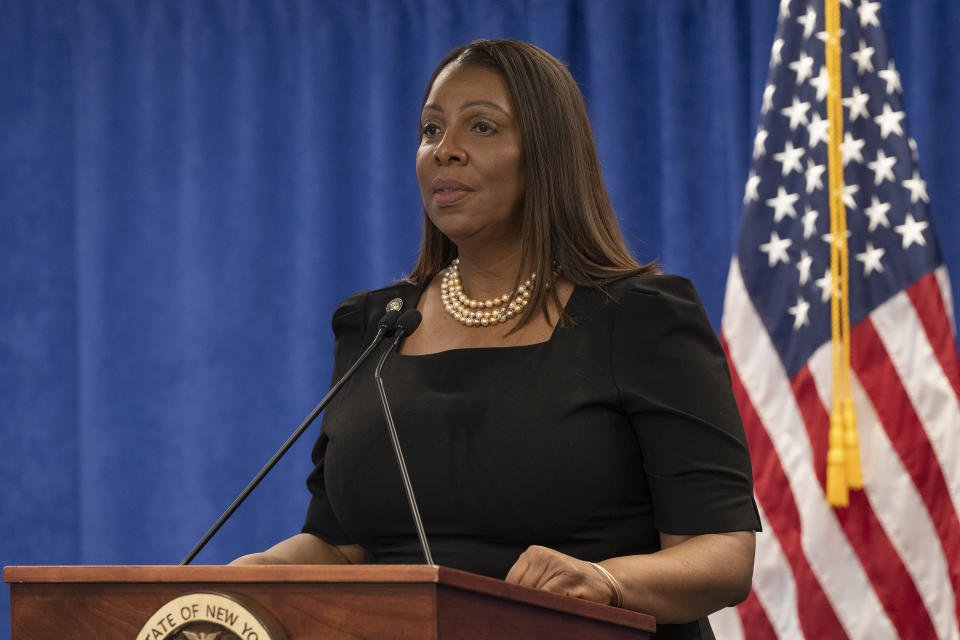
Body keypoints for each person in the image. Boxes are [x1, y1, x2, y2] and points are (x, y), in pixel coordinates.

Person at [232, 39, 760, 639]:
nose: (444, 151)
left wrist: (605, 581)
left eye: (481, 127)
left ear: (547, 154)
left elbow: (722, 555)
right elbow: (339, 546)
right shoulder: (375, 326)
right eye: (431, 129)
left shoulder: (640, 319)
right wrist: (239, 583)